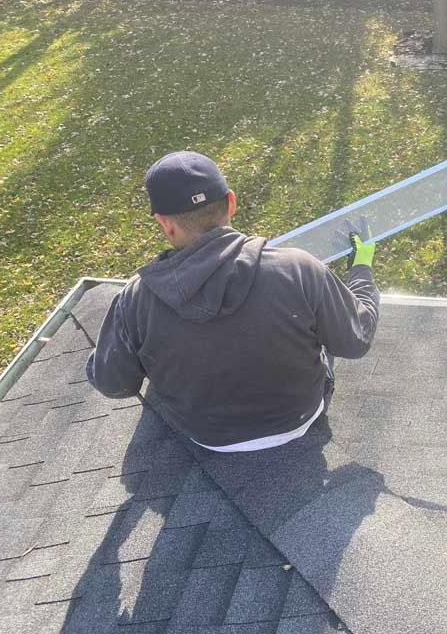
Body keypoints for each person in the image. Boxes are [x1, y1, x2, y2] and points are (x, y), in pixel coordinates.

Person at [86, 151, 379, 452]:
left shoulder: (135, 299)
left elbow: (114, 384)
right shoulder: (299, 268)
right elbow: (356, 340)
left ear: (166, 224)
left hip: (208, 437)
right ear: (232, 201)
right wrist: (362, 269)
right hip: (299, 417)